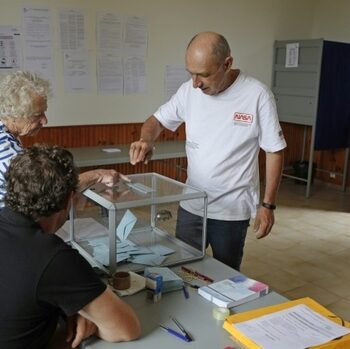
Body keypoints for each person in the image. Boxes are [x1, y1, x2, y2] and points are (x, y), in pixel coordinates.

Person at [129, 32, 287, 270]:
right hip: (192, 204)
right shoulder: (188, 91)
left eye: (203, 74)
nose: (196, 83)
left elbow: (274, 151)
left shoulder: (257, 96)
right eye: (191, 73)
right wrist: (146, 139)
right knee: (182, 268)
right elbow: (156, 121)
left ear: (227, 64)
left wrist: (268, 206)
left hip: (231, 211)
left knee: (225, 276)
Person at [0, 144, 141, 349]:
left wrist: (74, 309)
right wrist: (89, 316)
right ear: (68, 200)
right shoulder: (53, 257)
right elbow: (126, 329)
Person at [0, 71, 126, 208]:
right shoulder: (8, 151)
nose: (44, 120)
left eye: (44, 112)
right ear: (13, 115)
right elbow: (48, 191)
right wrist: (98, 175)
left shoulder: (7, 134)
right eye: (37, 115)